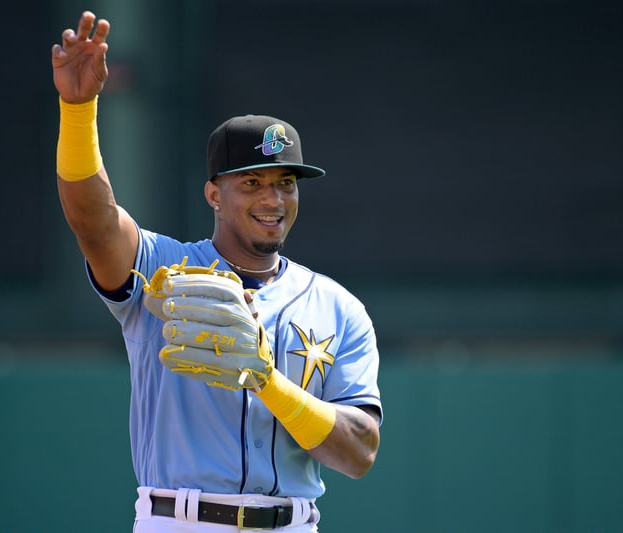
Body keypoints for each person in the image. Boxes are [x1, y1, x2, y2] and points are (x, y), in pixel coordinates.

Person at [52, 11, 382, 532]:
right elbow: (91, 221)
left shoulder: (338, 307)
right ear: (213, 193)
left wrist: (268, 381)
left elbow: (359, 451)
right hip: (182, 520)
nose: (274, 198)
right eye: (251, 183)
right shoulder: (162, 267)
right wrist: (78, 111)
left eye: (286, 182)